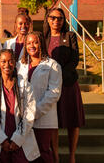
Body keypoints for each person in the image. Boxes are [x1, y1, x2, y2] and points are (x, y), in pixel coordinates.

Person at [43, 8, 85, 163]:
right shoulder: (44, 38)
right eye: (53, 18)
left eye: (60, 18)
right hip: (50, 86)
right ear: (48, 19)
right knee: (53, 121)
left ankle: (72, 155)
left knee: (73, 121)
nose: (56, 21)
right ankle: (55, 155)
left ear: (64, 20)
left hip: (68, 84)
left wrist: (58, 74)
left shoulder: (70, 36)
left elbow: (74, 60)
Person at [0, 49, 40, 162]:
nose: (7, 65)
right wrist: (2, 140)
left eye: (10, 61)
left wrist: (17, 139)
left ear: (15, 62)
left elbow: (29, 114)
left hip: (21, 141)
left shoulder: (25, 85)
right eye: (3, 61)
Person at [17, 32, 62, 163]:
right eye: (28, 43)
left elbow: (53, 93)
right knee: (26, 153)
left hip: (43, 118)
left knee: (43, 152)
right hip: (23, 117)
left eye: (35, 42)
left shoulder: (52, 65)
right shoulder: (20, 65)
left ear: (41, 43)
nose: (31, 46)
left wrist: (35, 112)